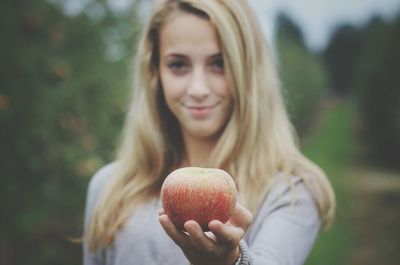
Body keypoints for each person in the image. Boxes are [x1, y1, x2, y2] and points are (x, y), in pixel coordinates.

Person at [83, 0, 336, 264]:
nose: (198, 89)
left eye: (219, 63)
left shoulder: (291, 192)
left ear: (248, 71)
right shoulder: (110, 187)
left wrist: (230, 261)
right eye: (178, 65)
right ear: (155, 73)